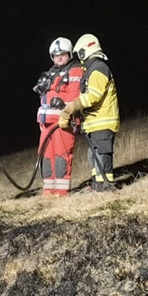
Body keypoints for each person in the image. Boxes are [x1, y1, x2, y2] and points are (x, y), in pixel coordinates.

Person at [59, 33, 119, 192]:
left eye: (79, 53)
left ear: (85, 51)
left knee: (102, 154)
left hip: (102, 121)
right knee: (92, 155)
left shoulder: (98, 68)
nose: (79, 58)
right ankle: (97, 185)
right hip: (93, 123)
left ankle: (106, 185)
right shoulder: (91, 69)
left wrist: (72, 106)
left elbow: (93, 96)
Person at [34, 37, 84, 196]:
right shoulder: (51, 72)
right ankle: (48, 190)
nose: (59, 57)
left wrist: (63, 106)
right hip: (46, 123)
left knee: (61, 156)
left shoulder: (75, 69)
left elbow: (74, 96)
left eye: (62, 54)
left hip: (63, 121)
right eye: (56, 55)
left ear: (69, 53)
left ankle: (61, 192)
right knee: (46, 156)